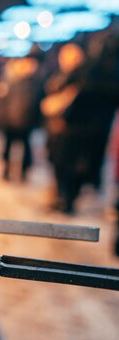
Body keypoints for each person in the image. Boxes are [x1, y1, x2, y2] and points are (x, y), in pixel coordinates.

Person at [45, 36, 119, 213]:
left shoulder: (90, 71)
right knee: (73, 165)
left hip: (77, 126)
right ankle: (66, 198)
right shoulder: (102, 72)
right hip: (93, 127)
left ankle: (67, 199)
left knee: (69, 164)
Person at [0, 54, 43, 181]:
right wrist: (1, 116)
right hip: (9, 120)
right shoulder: (8, 79)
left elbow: (37, 102)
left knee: (25, 148)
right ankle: (6, 170)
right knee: (8, 147)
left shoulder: (35, 81)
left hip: (26, 121)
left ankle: (23, 173)